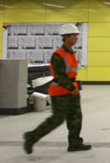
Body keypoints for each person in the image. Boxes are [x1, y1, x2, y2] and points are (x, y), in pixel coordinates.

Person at [23, 23, 91, 154]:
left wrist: (73, 89)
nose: (76, 38)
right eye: (74, 36)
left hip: (72, 91)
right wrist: (71, 88)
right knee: (57, 118)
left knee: (75, 117)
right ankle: (32, 137)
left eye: (77, 36)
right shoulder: (58, 55)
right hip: (60, 92)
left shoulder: (71, 53)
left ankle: (75, 143)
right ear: (66, 37)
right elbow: (59, 75)